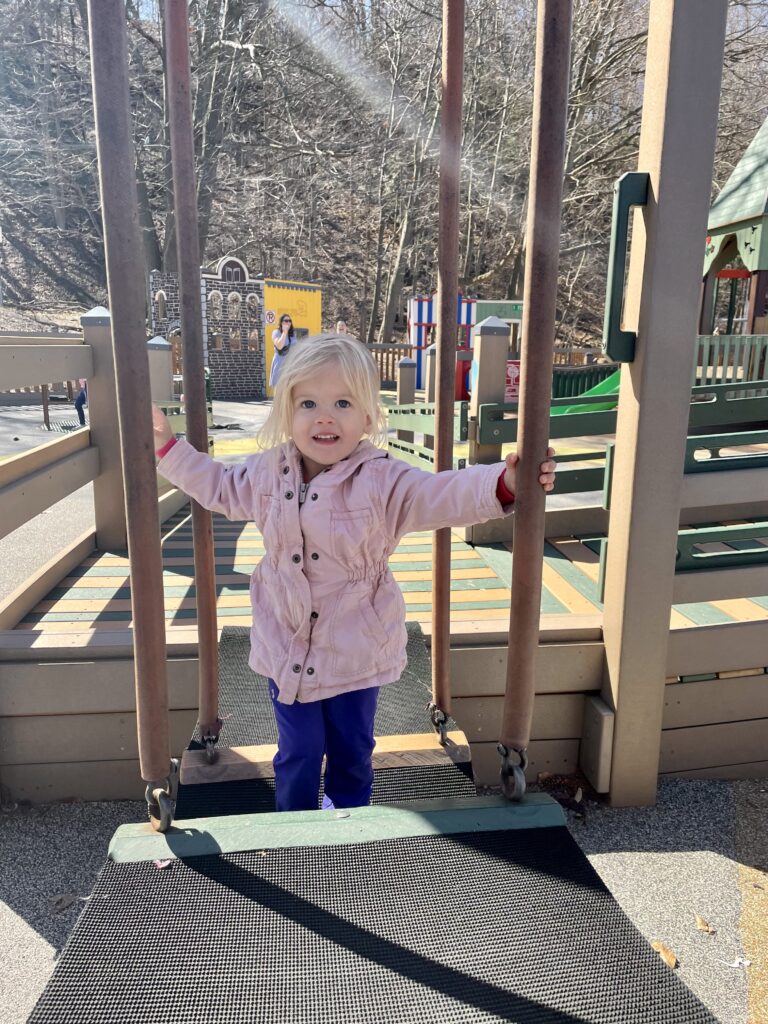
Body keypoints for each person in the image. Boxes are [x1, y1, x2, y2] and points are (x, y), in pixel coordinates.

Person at [151, 332, 556, 813]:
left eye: (343, 402)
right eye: (308, 403)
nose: (325, 416)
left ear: (367, 417)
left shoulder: (382, 481)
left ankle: (348, 825)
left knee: (352, 752)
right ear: (287, 413)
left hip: (356, 647)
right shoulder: (266, 474)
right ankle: (294, 829)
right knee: (298, 750)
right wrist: (167, 448)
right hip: (288, 643)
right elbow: (217, 483)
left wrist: (505, 483)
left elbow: (439, 494)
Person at [270, 313, 295, 388]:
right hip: (280, 363)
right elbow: (280, 346)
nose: (288, 322)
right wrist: (284, 332)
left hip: (290, 365)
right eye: (286, 321)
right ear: (281, 322)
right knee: (279, 390)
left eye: (289, 321)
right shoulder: (276, 332)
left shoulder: (293, 334)